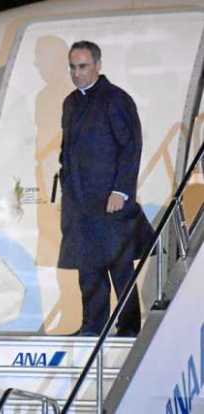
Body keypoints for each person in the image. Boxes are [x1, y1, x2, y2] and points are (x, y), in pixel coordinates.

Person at [58, 41, 154, 337]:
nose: (77, 73)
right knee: (88, 269)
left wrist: (121, 191)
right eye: (72, 67)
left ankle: (129, 328)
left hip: (109, 200)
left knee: (119, 267)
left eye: (83, 66)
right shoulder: (71, 102)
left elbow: (131, 147)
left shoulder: (116, 99)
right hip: (81, 202)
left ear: (98, 66)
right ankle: (93, 325)